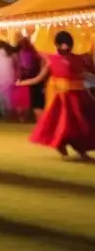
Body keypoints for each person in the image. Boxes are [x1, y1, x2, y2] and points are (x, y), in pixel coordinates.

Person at [18, 30, 95, 160]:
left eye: (66, 44)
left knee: (82, 126)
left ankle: (81, 152)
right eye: (62, 44)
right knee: (62, 126)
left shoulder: (77, 59)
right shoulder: (53, 60)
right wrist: (23, 82)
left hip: (78, 97)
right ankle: (64, 151)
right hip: (63, 99)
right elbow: (39, 78)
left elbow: (84, 74)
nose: (65, 47)